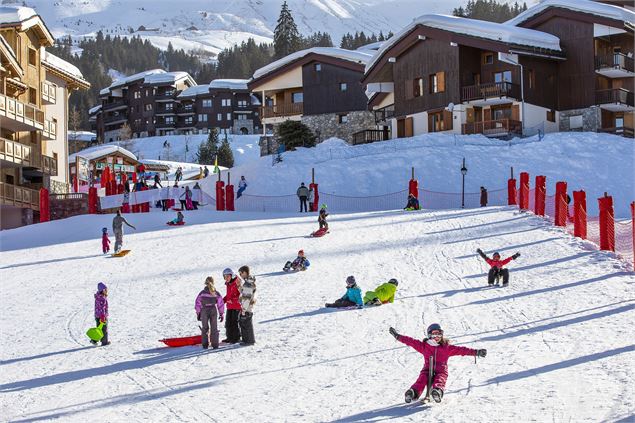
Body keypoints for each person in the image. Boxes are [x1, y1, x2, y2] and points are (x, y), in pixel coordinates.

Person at [388, 323, 486, 403]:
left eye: (439, 334)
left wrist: (476, 352)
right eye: (434, 334)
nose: (437, 337)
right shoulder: (424, 346)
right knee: (422, 379)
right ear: (429, 335)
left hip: (441, 370)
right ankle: (413, 392)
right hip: (427, 369)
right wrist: (398, 336)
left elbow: (462, 350)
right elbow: (411, 341)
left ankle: (437, 391)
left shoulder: (446, 348)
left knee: (440, 379)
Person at [195, 276, 225, 349]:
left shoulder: (202, 293)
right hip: (213, 310)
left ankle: (205, 344)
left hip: (204, 310)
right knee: (214, 327)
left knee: (205, 328)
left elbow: (197, 303)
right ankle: (215, 344)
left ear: (205, 283)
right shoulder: (216, 293)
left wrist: (198, 313)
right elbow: (220, 303)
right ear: (213, 283)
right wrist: (221, 313)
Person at [222, 268, 242, 344]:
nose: (226, 278)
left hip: (236, 306)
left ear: (232, 275)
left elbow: (241, 295)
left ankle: (236, 338)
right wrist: (222, 301)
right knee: (228, 322)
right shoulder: (228, 284)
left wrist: (233, 300)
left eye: (227, 276)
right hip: (230, 306)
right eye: (224, 277)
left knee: (234, 322)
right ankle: (229, 337)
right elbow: (228, 295)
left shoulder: (237, 283)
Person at [238, 265, 256, 345]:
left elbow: (247, 297)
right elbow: (245, 292)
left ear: (244, 272)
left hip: (247, 306)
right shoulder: (248, 282)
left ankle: (249, 340)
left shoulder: (248, 283)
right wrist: (240, 288)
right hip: (248, 305)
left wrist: (244, 309)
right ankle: (246, 340)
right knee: (244, 322)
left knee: (246, 322)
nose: (240, 275)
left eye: (241, 273)